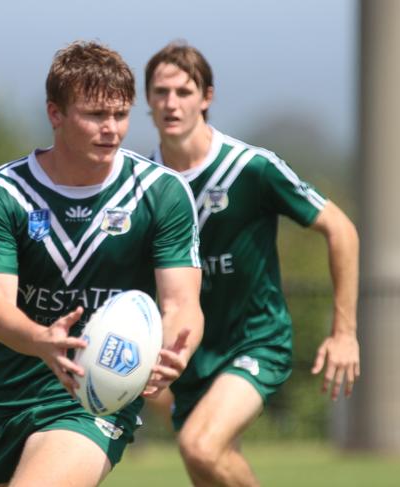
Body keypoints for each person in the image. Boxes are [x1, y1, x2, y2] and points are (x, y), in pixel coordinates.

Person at [0, 40, 204, 487]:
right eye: (95, 115)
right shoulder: (2, 193)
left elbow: (182, 302)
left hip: (96, 394)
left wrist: (174, 350)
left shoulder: (162, 193)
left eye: (121, 114)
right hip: (8, 391)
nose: (111, 128)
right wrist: (42, 340)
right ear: (55, 114)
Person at [144, 41, 361, 487]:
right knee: (207, 466)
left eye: (184, 92)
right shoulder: (143, 181)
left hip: (255, 341)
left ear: (207, 97)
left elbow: (341, 229)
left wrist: (344, 333)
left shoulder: (250, 168)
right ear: (147, 100)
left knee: (200, 446)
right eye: (160, 92)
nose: (171, 103)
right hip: (186, 355)